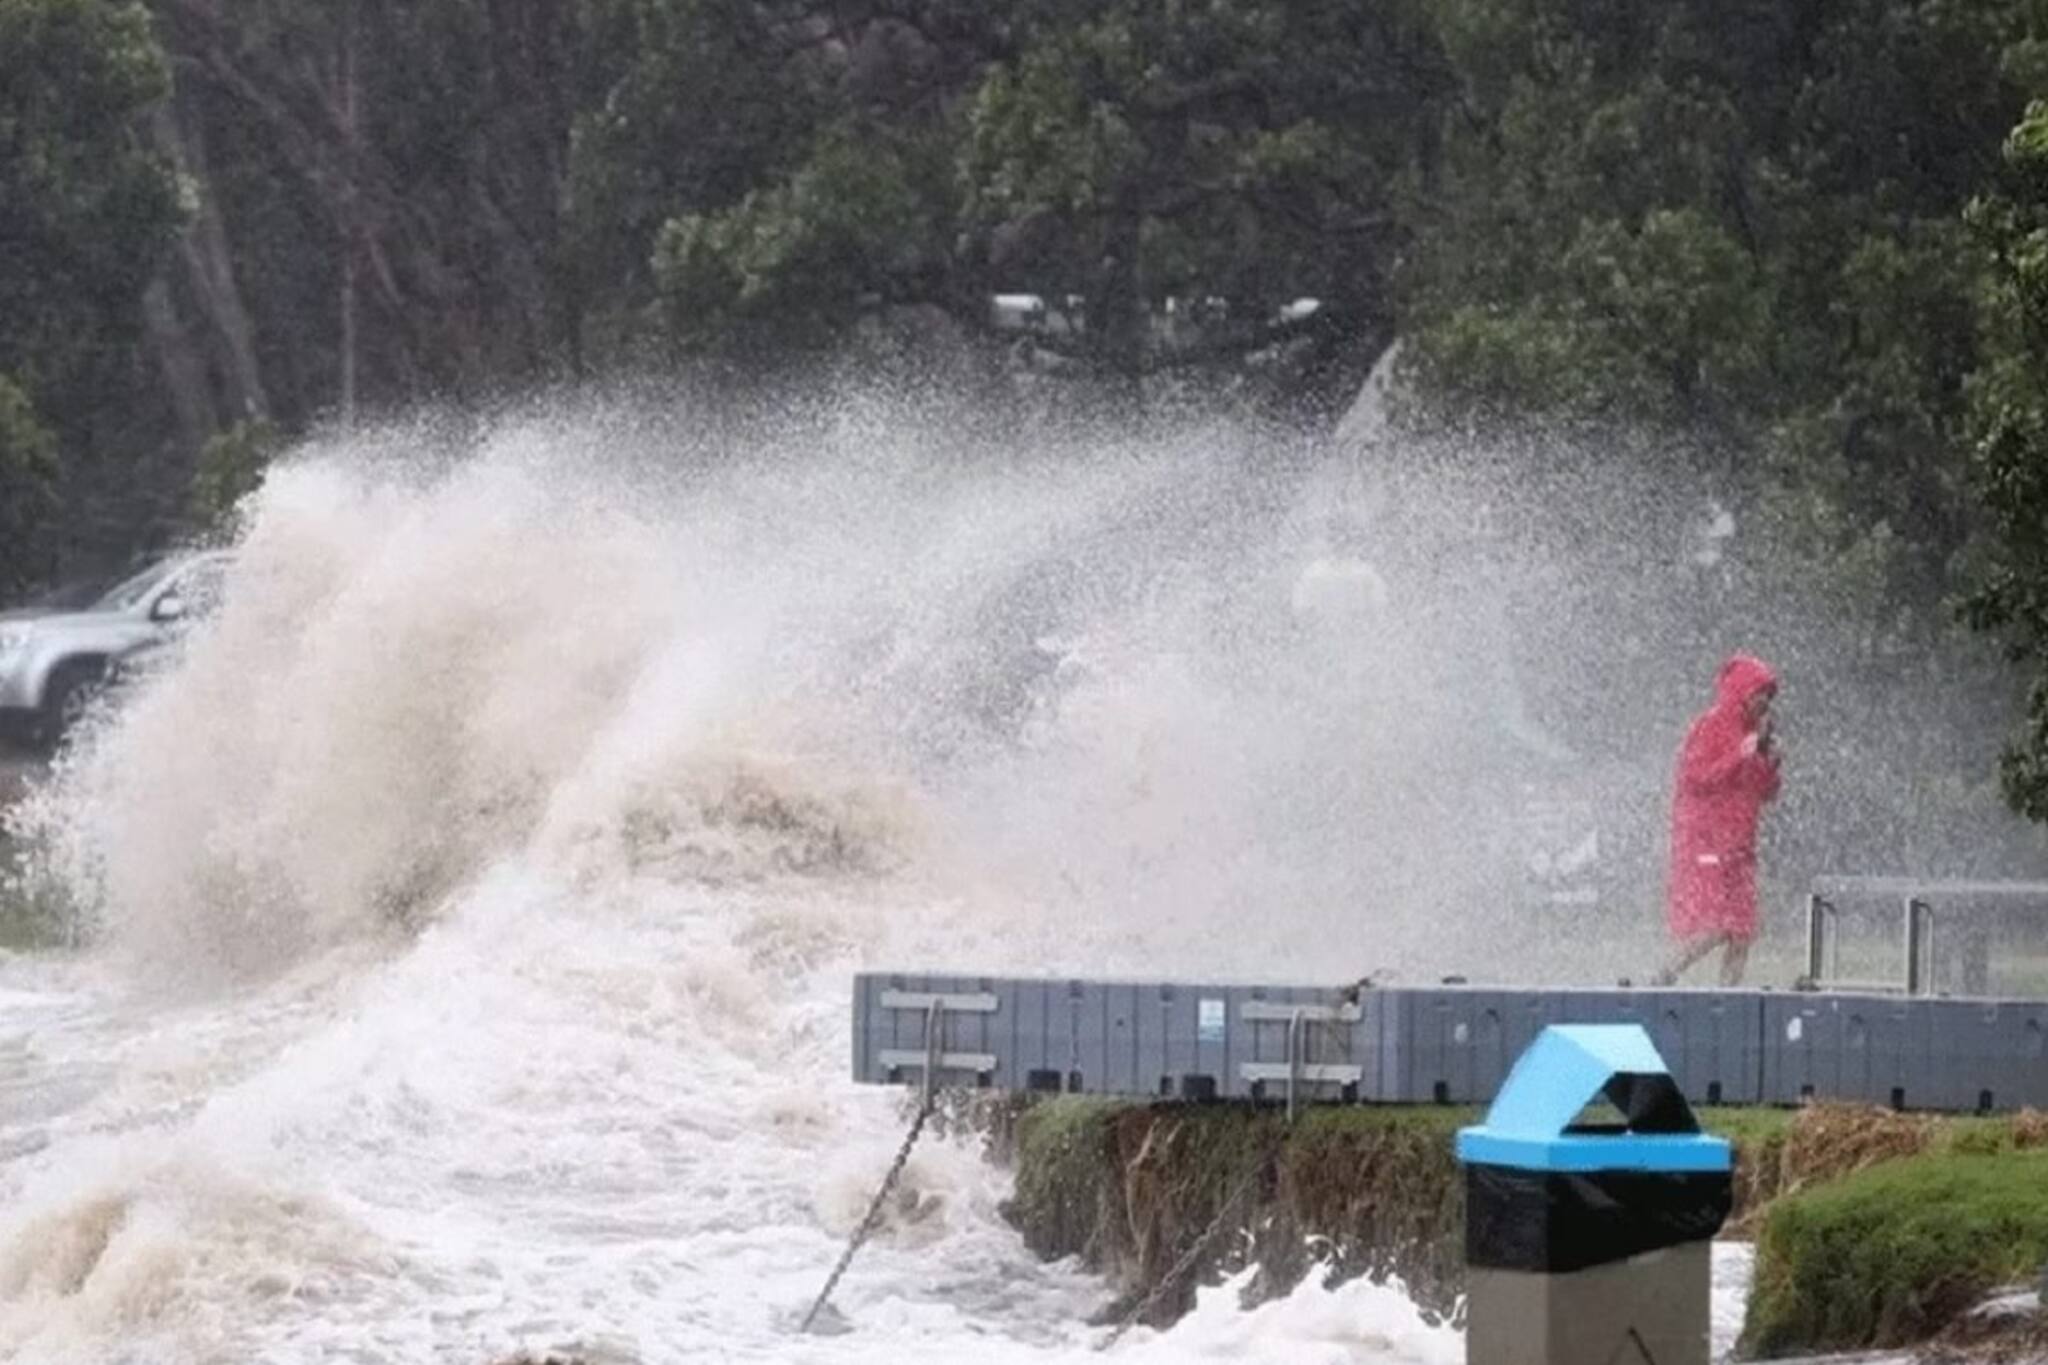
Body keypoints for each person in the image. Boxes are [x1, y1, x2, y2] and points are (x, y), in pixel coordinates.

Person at [1651, 653, 1781, 987]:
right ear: (1741, 692)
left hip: (1739, 846)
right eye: (1758, 696)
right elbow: (1695, 778)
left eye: (1767, 699)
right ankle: (1664, 973)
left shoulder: (1752, 738)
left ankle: (1729, 1000)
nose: (1763, 705)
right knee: (1717, 924)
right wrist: (1742, 753)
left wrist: (1769, 762)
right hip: (1707, 842)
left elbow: (1764, 792)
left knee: (1742, 930)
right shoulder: (1710, 726)